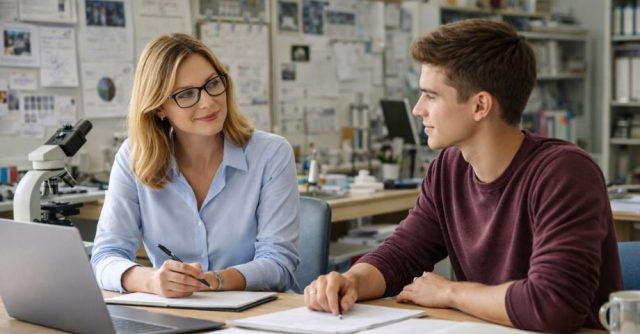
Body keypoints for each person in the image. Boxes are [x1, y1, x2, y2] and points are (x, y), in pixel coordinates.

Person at [304, 19, 622, 333]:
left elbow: (553, 306)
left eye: (431, 96)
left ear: (480, 105)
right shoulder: (448, 168)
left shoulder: (564, 173)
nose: (418, 109)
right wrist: (352, 281)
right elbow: (404, 252)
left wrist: (449, 292)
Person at [91, 33, 300, 297]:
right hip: (177, 313)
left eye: (212, 83)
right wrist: (151, 281)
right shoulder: (134, 157)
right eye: (186, 94)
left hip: (262, 314)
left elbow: (279, 264)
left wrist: (211, 281)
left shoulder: (271, 154)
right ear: (159, 108)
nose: (208, 101)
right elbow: (106, 256)